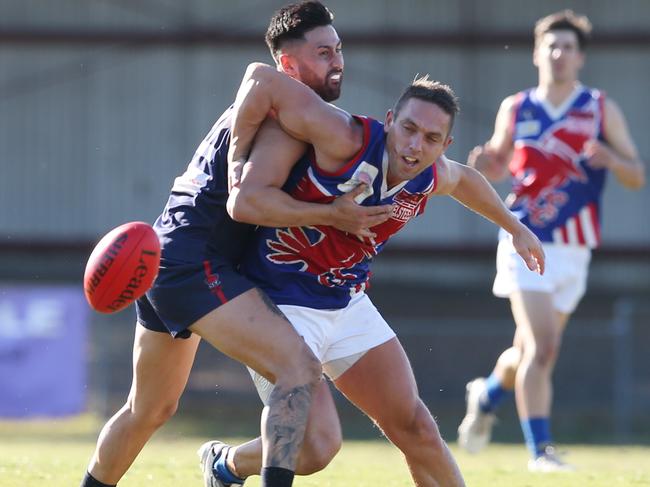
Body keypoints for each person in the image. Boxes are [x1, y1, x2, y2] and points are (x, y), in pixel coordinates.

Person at [78, 3, 394, 487]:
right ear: (289, 66)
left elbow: (255, 82)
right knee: (297, 369)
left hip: (171, 258)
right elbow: (257, 76)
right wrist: (332, 215)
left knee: (150, 408)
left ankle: (219, 467)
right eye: (323, 52)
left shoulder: (270, 107)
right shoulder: (281, 107)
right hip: (194, 260)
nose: (338, 61)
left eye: (339, 50)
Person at [197, 57, 546, 486]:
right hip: (280, 303)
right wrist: (329, 214)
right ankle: (226, 465)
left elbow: (465, 179)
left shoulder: (428, 174)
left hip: (345, 303)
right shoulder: (345, 139)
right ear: (389, 121)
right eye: (409, 129)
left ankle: (224, 464)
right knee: (316, 447)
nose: (415, 146)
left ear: (445, 145)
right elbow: (248, 198)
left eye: (431, 138)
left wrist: (515, 228)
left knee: (417, 427)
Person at [456, 10, 645, 472]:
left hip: (575, 248)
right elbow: (496, 164)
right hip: (524, 238)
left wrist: (611, 159)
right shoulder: (516, 107)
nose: (559, 54)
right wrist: (488, 164)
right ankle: (541, 452)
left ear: (580, 58)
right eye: (551, 46)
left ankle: (487, 395)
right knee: (543, 348)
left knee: (526, 352)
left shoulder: (600, 107)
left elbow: (637, 176)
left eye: (567, 47)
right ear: (538, 53)